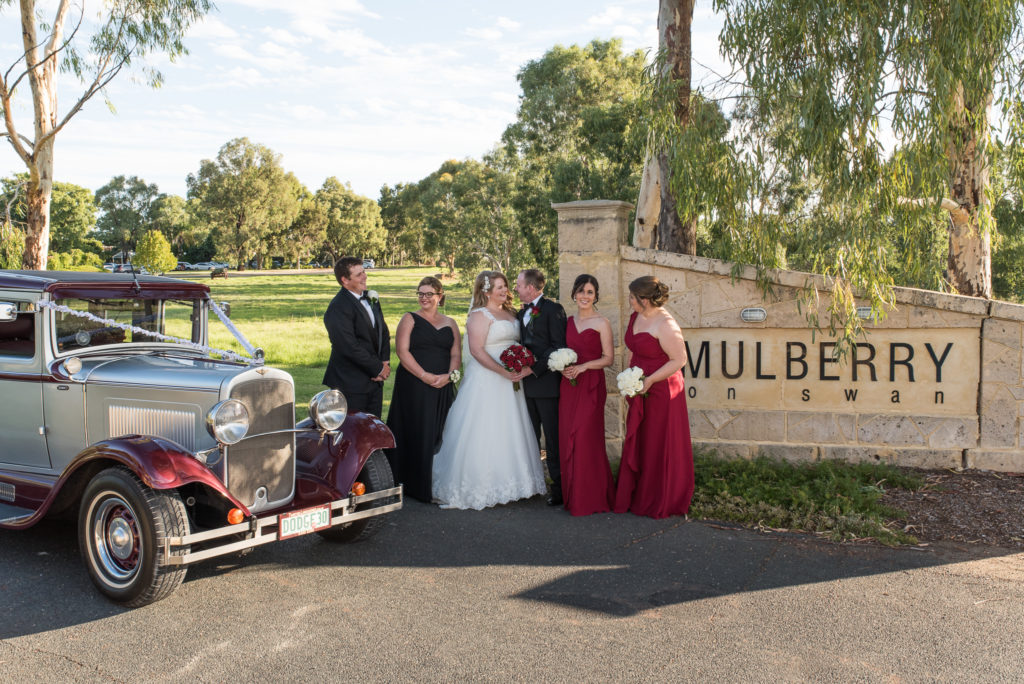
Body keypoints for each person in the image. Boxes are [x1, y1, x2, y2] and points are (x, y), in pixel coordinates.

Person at [432, 271, 546, 510]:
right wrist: (502, 371)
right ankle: (482, 484)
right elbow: (476, 351)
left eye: (505, 286)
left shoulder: (513, 313)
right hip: (489, 378)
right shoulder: (479, 315)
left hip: (513, 378)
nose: (505, 291)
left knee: (512, 426)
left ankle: (517, 483)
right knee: (486, 427)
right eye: (499, 287)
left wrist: (521, 363)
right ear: (486, 291)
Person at [613, 275, 694, 519]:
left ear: (645, 300)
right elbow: (633, 349)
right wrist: (630, 378)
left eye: (632, 297)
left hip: (662, 390)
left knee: (659, 441)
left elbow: (679, 360)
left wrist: (649, 380)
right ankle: (638, 494)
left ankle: (662, 496)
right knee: (642, 440)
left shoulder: (666, 324)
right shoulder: (635, 317)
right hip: (639, 387)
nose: (630, 301)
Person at [385, 277, 461, 503]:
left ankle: (436, 480)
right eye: (420, 293)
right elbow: (402, 351)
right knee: (419, 430)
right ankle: (415, 486)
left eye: (429, 294)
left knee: (441, 430)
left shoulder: (451, 323)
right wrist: (424, 376)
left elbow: (456, 354)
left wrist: (449, 376)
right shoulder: (409, 318)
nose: (424, 298)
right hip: (415, 384)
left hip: (443, 383)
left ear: (440, 296)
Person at [558, 274, 615, 516]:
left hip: (591, 384)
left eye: (590, 292)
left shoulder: (602, 323)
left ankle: (591, 497)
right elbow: (560, 351)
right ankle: (572, 495)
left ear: (596, 296)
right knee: (567, 436)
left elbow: (608, 358)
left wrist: (584, 366)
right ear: (574, 294)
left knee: (584, 437)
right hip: (568, 384)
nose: (584, 296)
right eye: (581, 291)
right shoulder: (567, 322)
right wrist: (563, 366)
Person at [514, 268, 568, 506]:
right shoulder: (520, 313)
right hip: (523, 387)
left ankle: (560, 489)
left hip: (547, 386)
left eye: (518, 284)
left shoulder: (553, 310)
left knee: (553, 440)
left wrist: (533, 369)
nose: (515, 288)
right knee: (528, 437)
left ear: (531, 287)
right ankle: (532, 484)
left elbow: (558, 346)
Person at [322, 256, 391, 417]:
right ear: (345, 280)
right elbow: (348, 346)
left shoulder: (370, 297)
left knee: (373, 429)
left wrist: (385, 361)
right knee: (352, 432)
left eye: (364, 272)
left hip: (374, 382)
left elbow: (383, 331)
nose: (365, 276)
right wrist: (378, 368)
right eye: (359, 274)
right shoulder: (338, 307)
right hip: (350, 382)